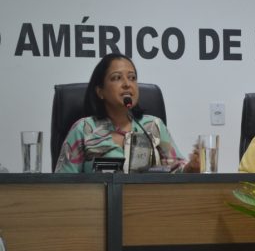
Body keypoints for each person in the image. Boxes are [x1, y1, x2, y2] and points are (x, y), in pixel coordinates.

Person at [55, 53, 199, 173]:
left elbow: (177, 171)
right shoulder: (83, 130)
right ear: (100, 91)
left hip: (149, 204)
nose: (127, 84)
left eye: (132, 78)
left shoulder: (153, 126)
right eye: (117, 78)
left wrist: (191, 167)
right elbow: (64, 184)